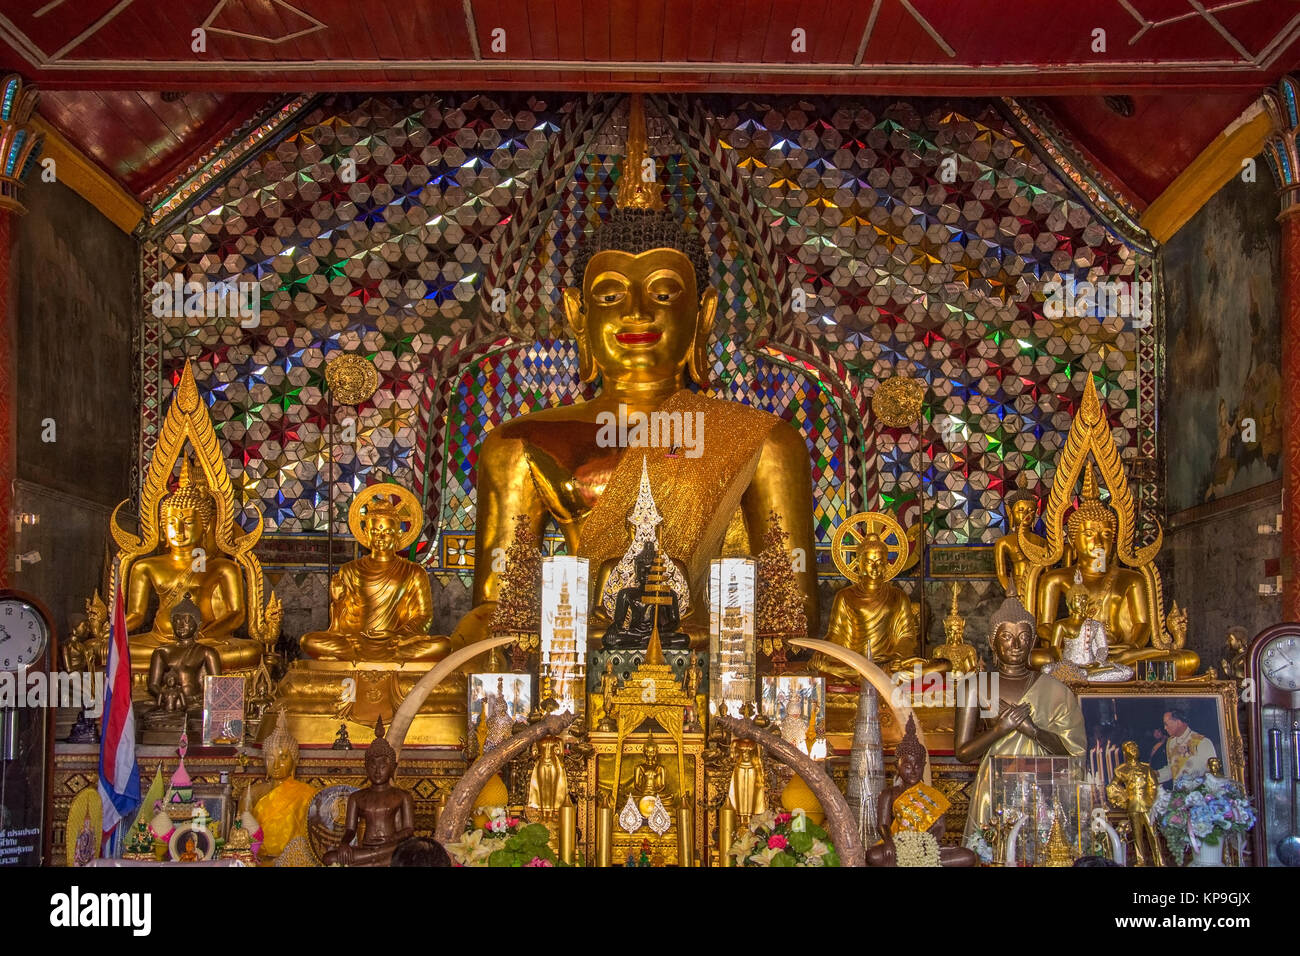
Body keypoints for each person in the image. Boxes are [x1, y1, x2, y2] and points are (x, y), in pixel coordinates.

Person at [1158, 709, 1216, 784]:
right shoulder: (1170, 742)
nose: (1165, 728)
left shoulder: (1202, 742)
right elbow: (1172, 770)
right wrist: (1154, 775)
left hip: (1198, 793)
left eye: (1166, 724)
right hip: (1177, 793)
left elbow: (1211, 773)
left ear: (1178, 722)